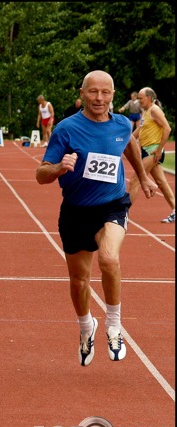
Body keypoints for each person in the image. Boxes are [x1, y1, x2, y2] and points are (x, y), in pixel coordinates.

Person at [35, 70, 158, 367]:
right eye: (93, 92)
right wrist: (59, 168)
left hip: (112, 206)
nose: (99, 98)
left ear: (113, 95)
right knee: (79, 281)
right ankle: (85, 327)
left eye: (105, 93)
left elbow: (128, 144)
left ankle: (114, 326)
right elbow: (41, 174)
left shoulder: (120, 123)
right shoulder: (66, 129)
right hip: (76, 211)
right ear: (82, 93)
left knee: (109, 259)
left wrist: (142, 177)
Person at [127, 87, 175, 224]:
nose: (139, 101)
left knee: (135, 180)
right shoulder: (147, 111)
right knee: (161, 182)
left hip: (153, 151)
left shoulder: (155, 110)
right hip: (146, 150)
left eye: (141, 98)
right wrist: (126, 139)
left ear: (149, 98)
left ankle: (123, 213)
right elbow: (140, 130)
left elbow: (167, 128)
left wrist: (159, 150)